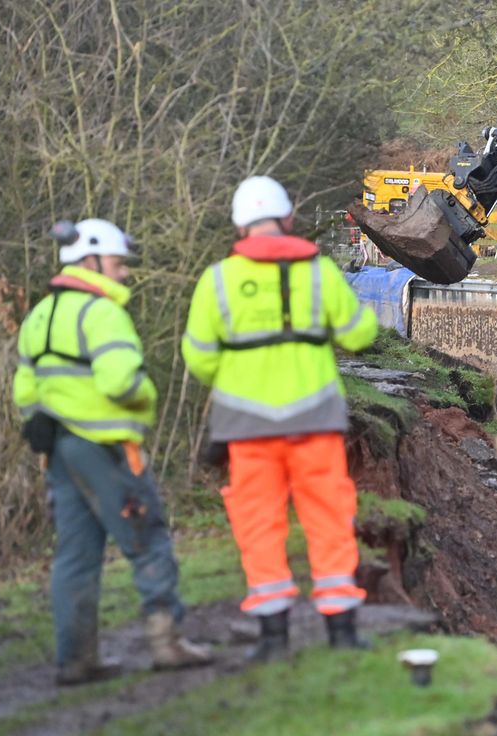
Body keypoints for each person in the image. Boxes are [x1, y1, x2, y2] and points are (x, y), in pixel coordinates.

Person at [181, 176, 379, 661]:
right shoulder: (319, 272)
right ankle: (342, 631)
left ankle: (273, 636)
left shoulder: (218, 280)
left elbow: (200, 359)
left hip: (247, 427)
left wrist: (244, 370)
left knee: (258, 523)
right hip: (315, 419)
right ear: (289, 220)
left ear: (239, 225)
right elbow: (361, 334)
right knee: (329, 517)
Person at [13, 219, 212, 685]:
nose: (124, 274)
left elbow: (26, 392)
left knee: (75, 556)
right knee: (148, 540)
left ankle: (75, 658)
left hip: (58, 455)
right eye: (119, 264)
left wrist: (48, 418)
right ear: (91, 261)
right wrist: (147, 394)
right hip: (107, 450)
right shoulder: (103, 314)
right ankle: (168, 643)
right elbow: (121, 382)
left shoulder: (39, 316)